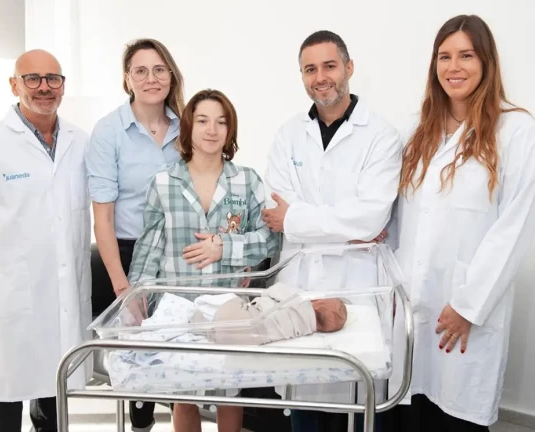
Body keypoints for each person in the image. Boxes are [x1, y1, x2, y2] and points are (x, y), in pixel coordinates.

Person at [387, 14, 535, 431]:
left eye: (466, 55)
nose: (453, 67)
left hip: (466, 312)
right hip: (412, 307)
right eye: (444, 57)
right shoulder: (419, 131)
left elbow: (513, 228)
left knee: (456, 417)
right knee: (410, 411)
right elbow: (401, 220)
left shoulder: (516, 129)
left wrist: (468, 306)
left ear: (486, 62)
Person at [261, 30, 401, 432]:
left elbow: (371, 216)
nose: (320, 77)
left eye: (329, 65)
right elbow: (276, 209)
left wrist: (298, 219)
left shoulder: (381, 135)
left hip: (356, 284)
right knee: (304, 401)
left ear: (349, 68)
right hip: (300, 282)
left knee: (358, 401)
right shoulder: (288, 135)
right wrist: (345, 226)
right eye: (309, 69)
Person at [0, 49, 92, 432]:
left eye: (53, 79)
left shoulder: (81, 142)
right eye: (32, 78)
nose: (44, 87)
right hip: (16, 293)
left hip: (64, 293)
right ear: (14, 85)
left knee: (53, 394)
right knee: (8, 394)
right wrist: (5, 264)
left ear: (63, 86)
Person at [127, 88, 279, 432]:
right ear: (188, 127)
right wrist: (134, 298)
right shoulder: (164, 183)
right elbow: (148, 247)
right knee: (183, 393)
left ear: (230, 131)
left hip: (229, 304)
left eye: (221, 122)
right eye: (203, 121)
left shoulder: (247, 182)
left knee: (229, 391)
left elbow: (269, 239)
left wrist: (224, 246)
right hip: (176, 306)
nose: (212, 130)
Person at [85, 38, 184, 431]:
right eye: (140, 70)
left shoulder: (186, 124)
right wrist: (122, 286)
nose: (151, 78)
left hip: (179, 254)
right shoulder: (109, 131)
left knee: (181, 354)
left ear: (171, 75)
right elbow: (103, 219)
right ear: (127, 79)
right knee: (137, 363)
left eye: (159, 69)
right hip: (128, 253)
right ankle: (141, 423)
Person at [192, 284, 347, 345]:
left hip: (248, 319)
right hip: (254, 339)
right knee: (221, 332)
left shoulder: (300, 301)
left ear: (318, 302)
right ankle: (208, 332)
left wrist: (266, 294)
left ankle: (200, 320)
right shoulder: (306, 329)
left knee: (233, 299)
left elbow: (277, 290)